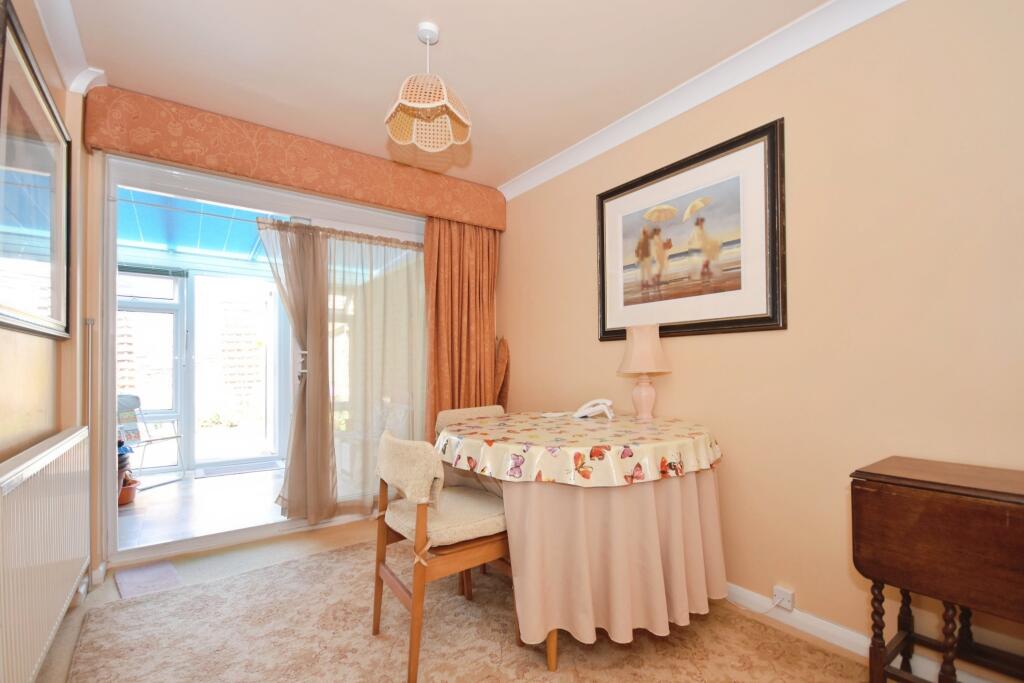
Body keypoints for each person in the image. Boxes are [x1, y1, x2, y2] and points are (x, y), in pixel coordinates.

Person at [688, 216, 721, 281]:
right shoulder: (696, 229)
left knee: (708, 257)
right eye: (702, 222)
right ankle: (704, 271)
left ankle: (705, 270)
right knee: (707, 257)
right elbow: (693, 237)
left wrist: (711, 240)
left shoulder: (702, 229)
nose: (703, 223)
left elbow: (706, 236)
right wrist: (690, 241)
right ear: (698, 222)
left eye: (703, 222)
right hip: (702, 245)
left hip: (706, 244)